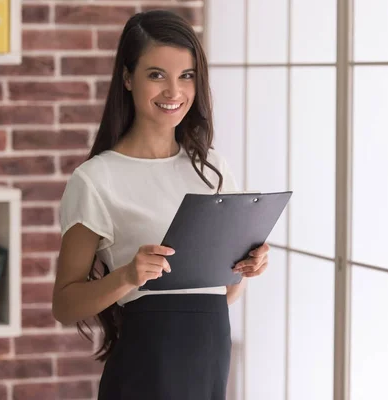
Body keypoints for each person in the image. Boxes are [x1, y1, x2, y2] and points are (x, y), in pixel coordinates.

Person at [51, 9, 271, 400]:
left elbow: (221, 294)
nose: (174, 92)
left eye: (186, 76)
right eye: (157, 75)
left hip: (209, 360)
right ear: (127, 77)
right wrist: (126, 277)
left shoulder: (212, 168)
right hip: (145, 367)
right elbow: (65, 304)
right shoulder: (96, 179)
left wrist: (245, 269)